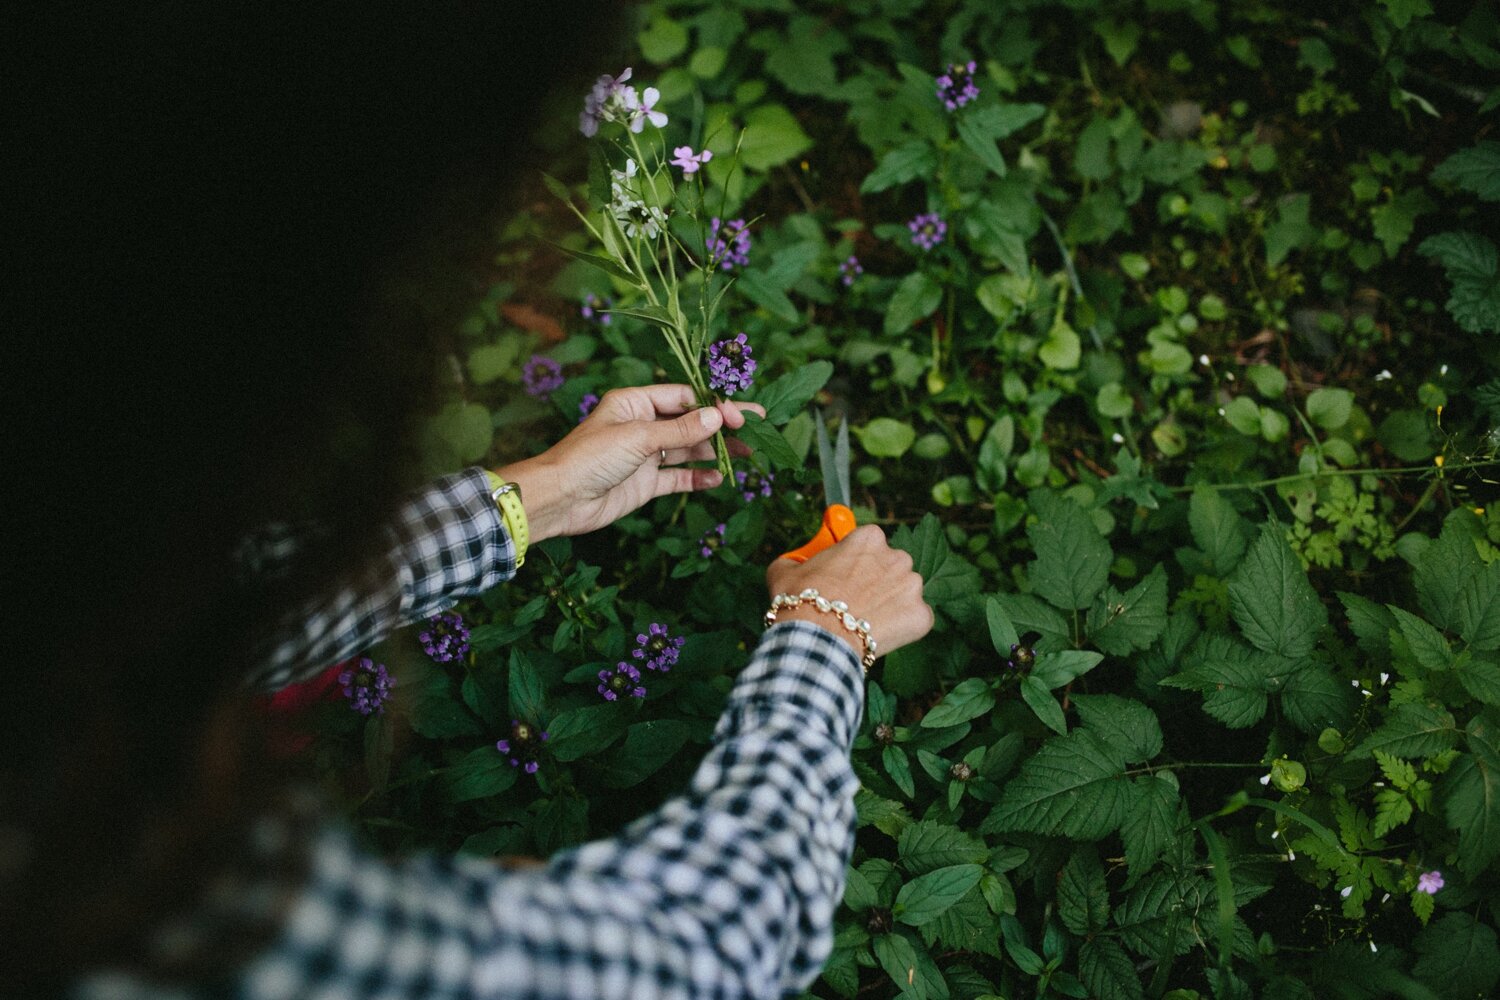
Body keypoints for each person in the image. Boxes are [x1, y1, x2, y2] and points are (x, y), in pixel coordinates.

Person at [6, 5, 934, 998]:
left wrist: (525, 500)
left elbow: (187, 617)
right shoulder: (139, 897)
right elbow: (699, 951)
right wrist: (825, 635)